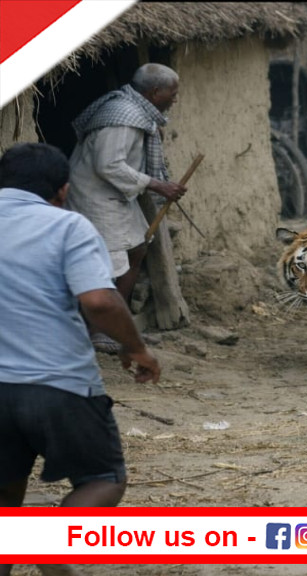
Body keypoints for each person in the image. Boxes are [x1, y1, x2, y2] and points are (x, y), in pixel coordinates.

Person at [0, 143, 161, 576]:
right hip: (60, 384)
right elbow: (100, 302)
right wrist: (135, 348)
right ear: (63, 190)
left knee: (4, 493)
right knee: (103, 478)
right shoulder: (68, 226)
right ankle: (48, 543)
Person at [66, 62, 187, 354]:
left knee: (137, 249)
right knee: (107, 265)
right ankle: (97, 331)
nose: (175, 98)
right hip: (95, 196)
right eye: (172, 92)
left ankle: (110, 325)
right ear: (155, 92)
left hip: (115, 196)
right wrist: (158, 185)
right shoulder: (124, 117)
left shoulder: (134, 112)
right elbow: (108, 164)